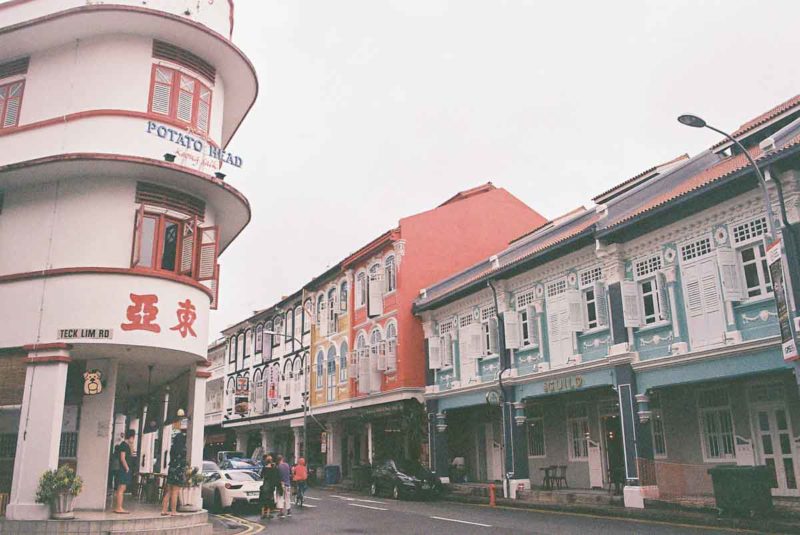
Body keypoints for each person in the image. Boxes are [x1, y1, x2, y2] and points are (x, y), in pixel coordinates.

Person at [162, 432, 187, 516]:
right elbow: (183, 463)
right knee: (175, 492)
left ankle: (164, 510)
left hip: (171, 470)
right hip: (178, 471)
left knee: (168, 491)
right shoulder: (183, 450)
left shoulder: (172, 448)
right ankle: (173, 511)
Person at [113, 429, 136, 514]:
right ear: (131, 437)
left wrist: (132, 443)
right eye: (133, 437)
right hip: (123, 469)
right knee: (121, 489)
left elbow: (132, 452)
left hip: (124, 469)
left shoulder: (127, 445)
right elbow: (122, 458)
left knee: (122, 488)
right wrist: (127, 468)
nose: (134, 439)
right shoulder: (123, 445)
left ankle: (119, 507)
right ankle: (119, 507)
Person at [260, 455, 279, 519]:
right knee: (269, 500)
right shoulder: (273, 469)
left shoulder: (264, 468)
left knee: (263, 500)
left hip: (264, 485)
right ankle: (268, 514)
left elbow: (261, 476)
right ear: (271, 461)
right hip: (270, 486)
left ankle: (262, 514)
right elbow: (275, 477)